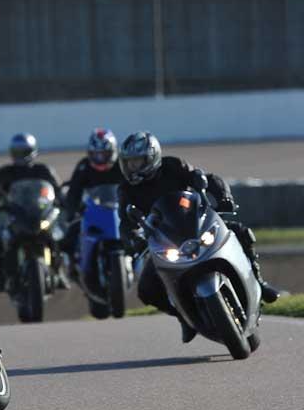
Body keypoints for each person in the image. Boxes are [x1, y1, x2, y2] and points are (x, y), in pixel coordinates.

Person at [117, 131, 280, 343]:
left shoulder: (174, 166)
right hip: (165, 240)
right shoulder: (126, 189)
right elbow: (124, 220)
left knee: (240, 232)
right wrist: (130, 241)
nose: (133, 167)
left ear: (152, 157)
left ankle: (259, 281)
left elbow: (206, 178)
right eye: (129, 163)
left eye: (137, 162)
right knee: (147, 290)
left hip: (197, 222)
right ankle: (183, 318)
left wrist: (223, 197)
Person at [0, 133, 63, 292]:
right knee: (0, 241)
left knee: (57, 237)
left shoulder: (44, 171)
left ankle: (59, 271)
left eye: (23, 151)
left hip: (40, 214)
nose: (20, 156)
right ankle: (2, 275)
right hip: (16, 217)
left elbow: (57, 191)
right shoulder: (4, 173)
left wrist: (60, 200)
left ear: (32, 151)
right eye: (16, 152)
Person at [60, 128, 124, 275]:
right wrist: (73, 212)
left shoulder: (122, 165)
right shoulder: (84, 166)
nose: (100, 158)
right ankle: (71, 267)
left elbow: (134, 186)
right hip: (93, 211)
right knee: (70, 235)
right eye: (96, 154)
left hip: (120, 211)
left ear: (113, 151)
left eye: (104, 154)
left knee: (145, 236)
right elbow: (74, 191)